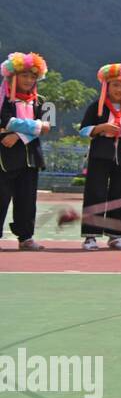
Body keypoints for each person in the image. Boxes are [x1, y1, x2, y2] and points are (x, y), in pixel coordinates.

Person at [78, 64, 121, 250]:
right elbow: (83, 130)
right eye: (115, 85)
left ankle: (116, 236)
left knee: (120, 195)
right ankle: (91, 236)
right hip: (100, 156)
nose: (119, 89)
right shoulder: (96, 107)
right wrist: (101, 128)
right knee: (95, 193)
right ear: (107, 86)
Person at [0, 52, 53, 251]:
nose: (29, 80)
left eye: (32, 76)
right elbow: (7, 121)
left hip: (31, 158)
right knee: (1, 198)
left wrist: (18, 135)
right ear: (12, 76)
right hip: (5, 158)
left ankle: (26, 237)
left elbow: (48, 127)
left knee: (27, 200)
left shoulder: (43, 101)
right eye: (24, 75)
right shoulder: (3, 99)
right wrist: (36, 125)